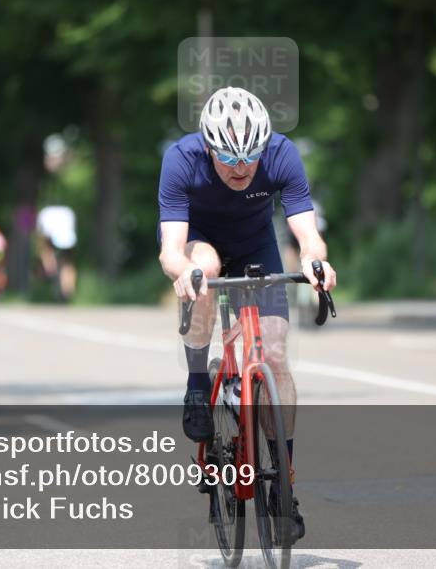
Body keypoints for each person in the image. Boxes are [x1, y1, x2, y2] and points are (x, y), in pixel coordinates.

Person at [157, 86, 337, 542]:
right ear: (208, 147)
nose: (240, 168)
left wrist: (315, 263)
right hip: (201, 244)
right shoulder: (182, 159)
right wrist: (185, 271)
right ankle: (199, 385)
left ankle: (284, 487)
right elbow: (171, 250)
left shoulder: (281, 154)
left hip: (258, 246)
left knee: (275, 358)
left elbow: (306, 233)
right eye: (228, 158)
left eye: (249, 157)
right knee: (207, 269)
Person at [36, 205, 78, 302]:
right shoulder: (68, 212)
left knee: (47, 251)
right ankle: (67, 287)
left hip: (53, 236)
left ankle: (51, 270)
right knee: (67, 262)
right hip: (67, 237)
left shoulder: (45, 213)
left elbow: (42, 239)